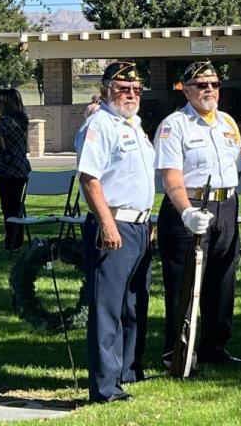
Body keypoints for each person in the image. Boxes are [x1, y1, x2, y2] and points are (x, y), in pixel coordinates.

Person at [155, 61, 241, 366]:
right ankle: (178, 350)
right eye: (201, 85)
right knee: (184, 282)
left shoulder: (227, 123)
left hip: (226, 205)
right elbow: (171, 177)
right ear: (186, 89)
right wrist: (186, 212)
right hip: (191, 207)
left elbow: (238, 164)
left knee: (222, 280)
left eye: (215, 84)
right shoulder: (174, 125)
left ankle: (215, 348)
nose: (209, 90)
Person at [76, 61, 155, 402]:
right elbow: (90, 178)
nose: (131, 95)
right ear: (107, 89)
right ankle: (106, 387)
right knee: (108, 307)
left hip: (139, 225)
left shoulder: (135, 125)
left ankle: (127, 370)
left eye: (136, 90)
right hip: (115, 223)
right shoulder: (100, 125)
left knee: (135, 303)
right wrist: (107, 223)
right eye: (123, 89)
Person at [0, 88, 31, 251]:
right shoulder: (21, 119)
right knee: (15, 206)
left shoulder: (5, 120)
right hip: (20, 169)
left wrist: (4, 153)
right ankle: (15, 241)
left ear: (6, 102)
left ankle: (12, 243)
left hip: (8, 170)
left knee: (8, 208)